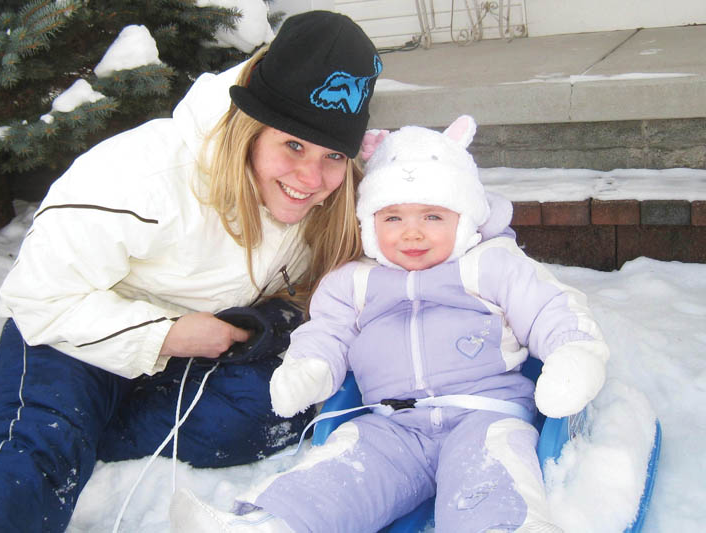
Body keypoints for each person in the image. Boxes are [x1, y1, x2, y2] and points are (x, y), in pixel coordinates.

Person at [0, 11, 381, 533]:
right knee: (38, 452)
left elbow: (365, 272)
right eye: (292, 145)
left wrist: (261, 325)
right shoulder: (144, 176)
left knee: (279, 408)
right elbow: (38, 297)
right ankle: (62, 436)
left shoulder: (332, 202)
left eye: (333, 155)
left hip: (196, 354)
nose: (310, 179)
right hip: (74, 335)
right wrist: (168, 334)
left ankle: (95, 431)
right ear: (250, 128)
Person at [171, 117, 611, 533]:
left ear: (465, 220)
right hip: (391, 424)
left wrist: (574, 353)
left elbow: (550, 309)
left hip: (484, 415)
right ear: (369, 224)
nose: (412, 233)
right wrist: (310, 367)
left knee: (489, 480)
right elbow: (327, 332)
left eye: (433, 217)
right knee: (338, 477)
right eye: (393, 218)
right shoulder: (353, 282)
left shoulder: (491, 265)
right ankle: (270, 524)